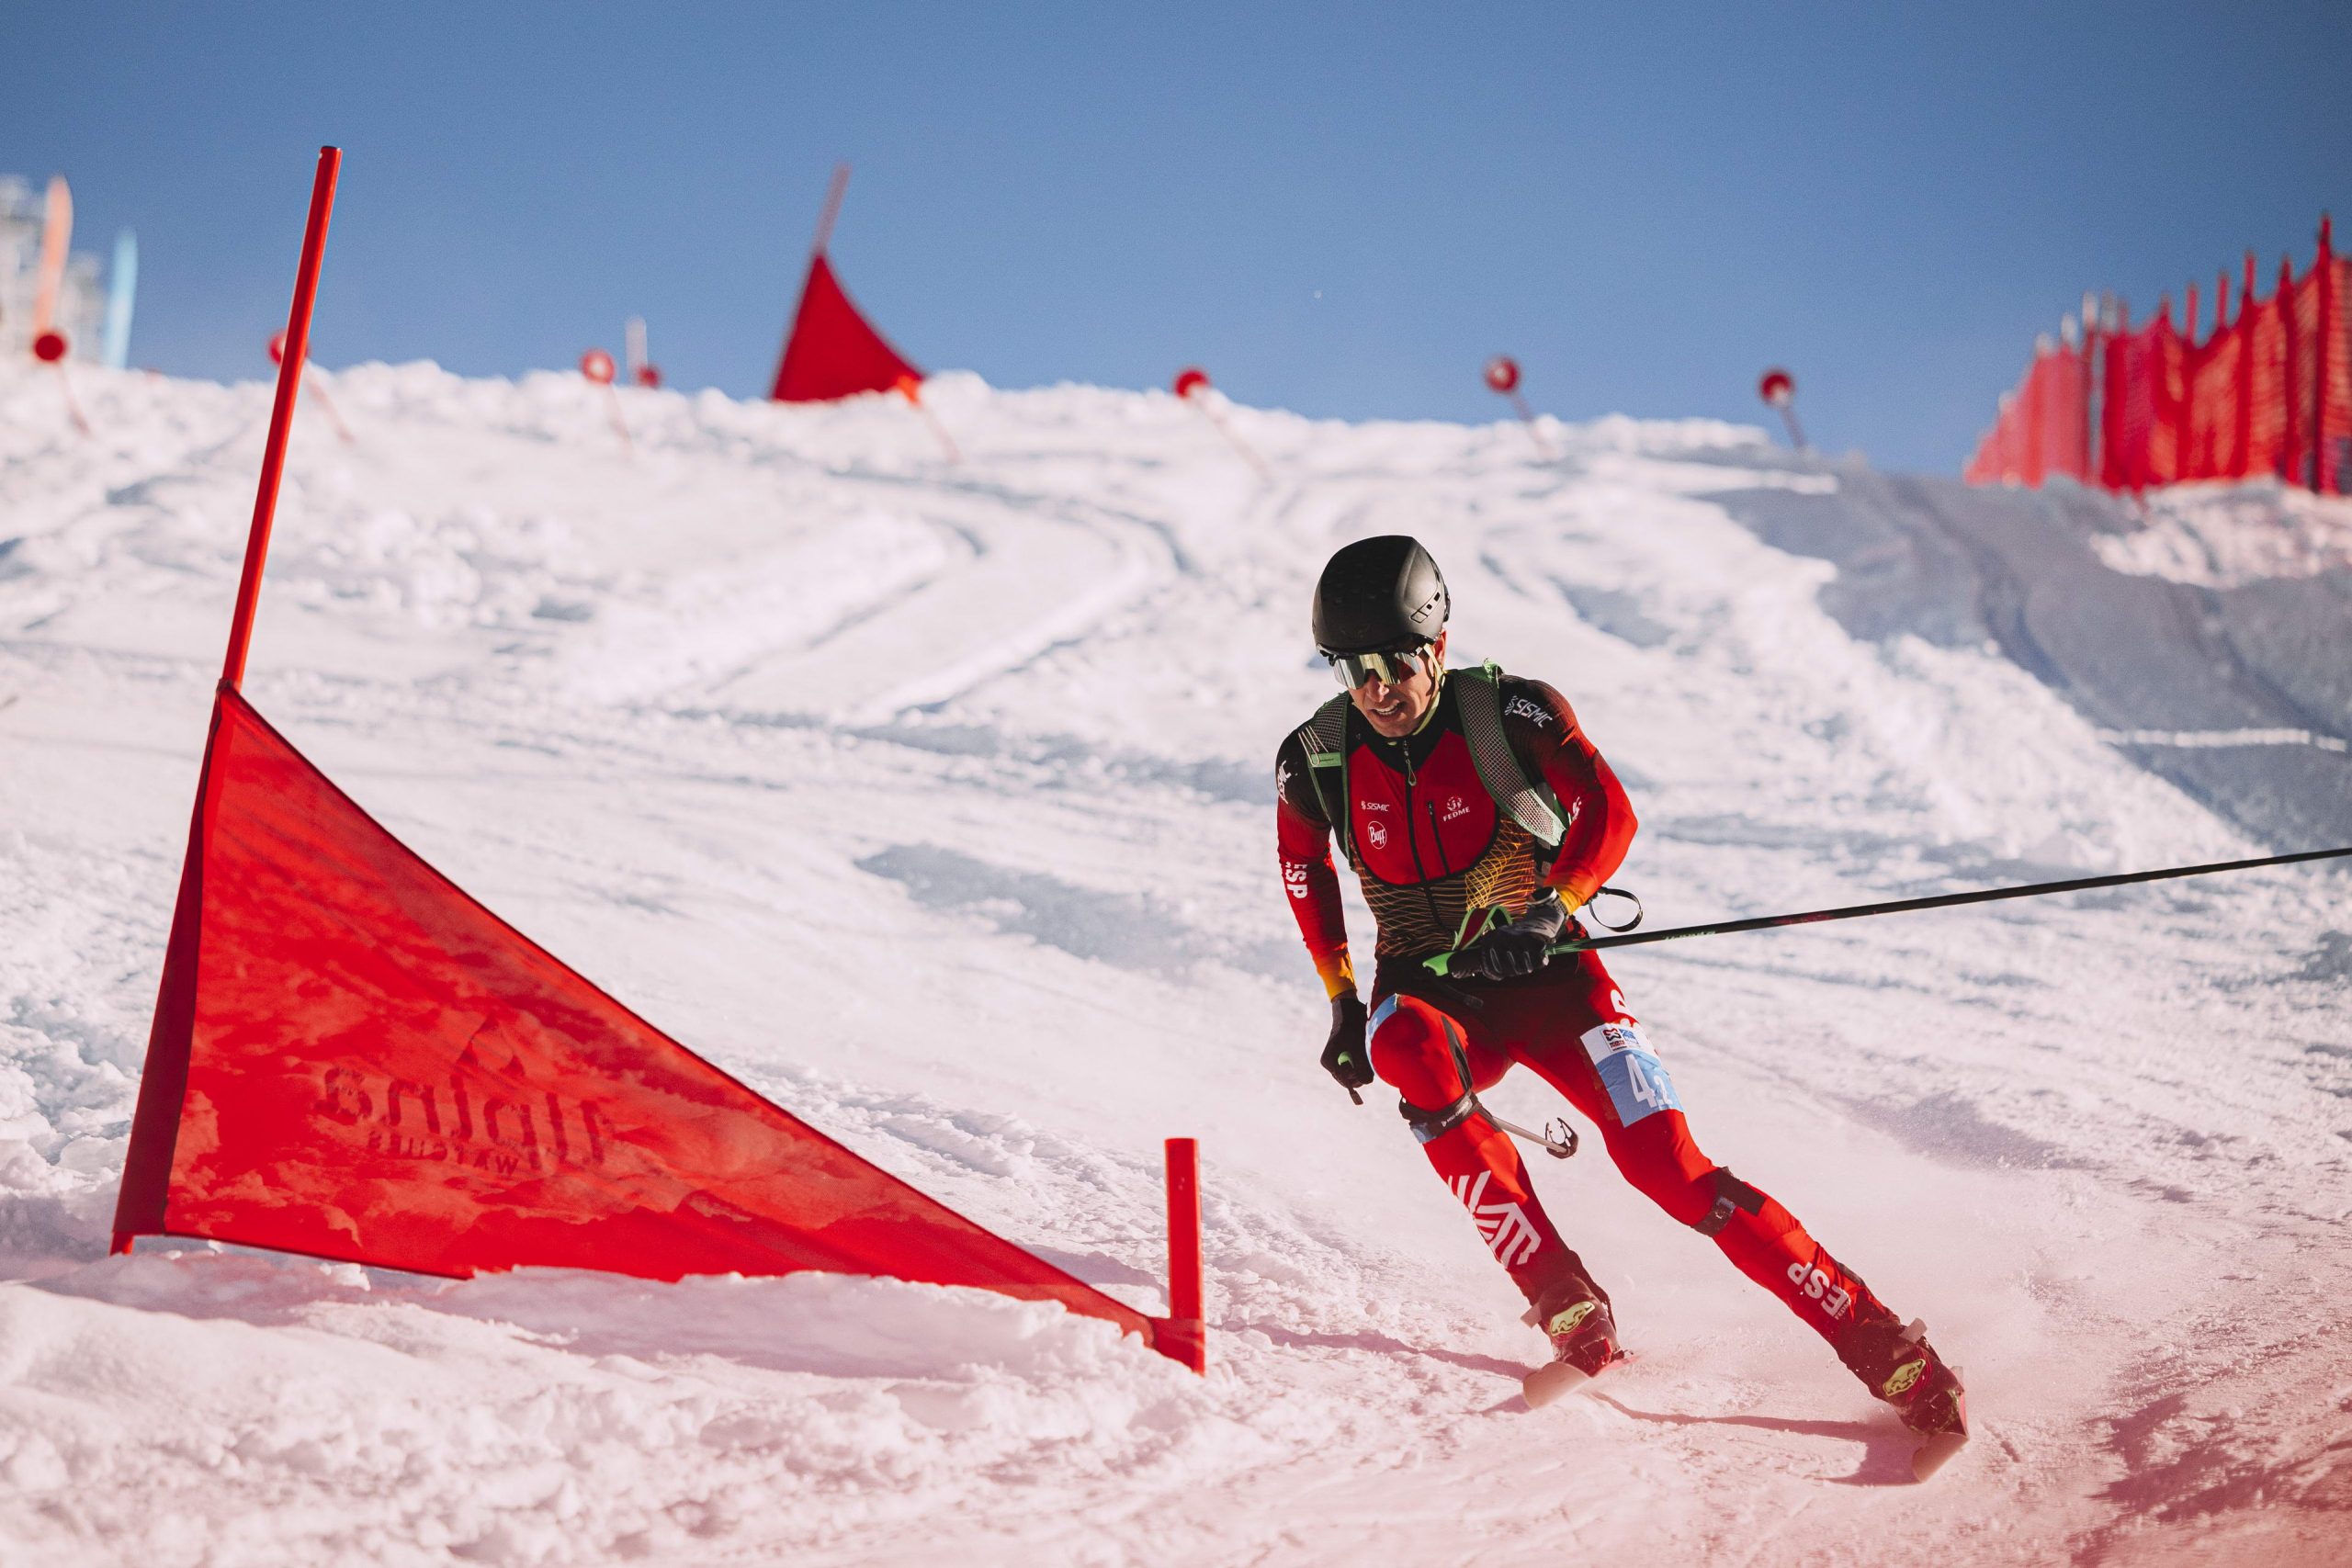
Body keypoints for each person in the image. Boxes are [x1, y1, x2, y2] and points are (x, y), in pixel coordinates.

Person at [1273, 535, 1966, 1445]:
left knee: (1667, 1169)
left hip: (1550, 977)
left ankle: (1879, 1341)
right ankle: (1560, 1296)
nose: (1378, 689)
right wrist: (1340, 1000)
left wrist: (1551, 911)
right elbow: (1301, 868)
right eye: (1354, 668)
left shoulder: (1505, 713)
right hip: (1433, 990)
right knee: (1399, 1046)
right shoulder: (1317, 755)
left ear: (1436, 644)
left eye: (1396, 662)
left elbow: (1609, 808)